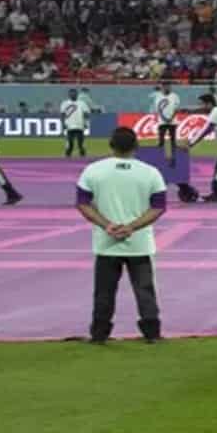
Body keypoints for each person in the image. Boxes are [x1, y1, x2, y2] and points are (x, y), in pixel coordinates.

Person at [76, 126, 168, 344]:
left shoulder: (93, 170)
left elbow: (82, 204)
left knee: (104, 292)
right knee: (144, 290)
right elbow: (159, 207)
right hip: (139, 243)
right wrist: (132, 227)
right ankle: (152, 333)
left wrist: (107, 225)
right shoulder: (150, 172)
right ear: (136, 146)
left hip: (106, 241)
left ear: (111, 145)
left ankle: (99, 334)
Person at [152, 80, 181, 159]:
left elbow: (176, 108)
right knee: (161, 141)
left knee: (173, 141)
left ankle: (174, 157)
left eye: (169, 86)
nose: (167, 87)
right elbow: (158, 109)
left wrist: (171, 118)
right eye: (165, 86)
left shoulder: (175, 96)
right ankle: (160, 157)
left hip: (172, 121)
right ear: (162, 87)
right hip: (162, 121)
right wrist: (164, 118)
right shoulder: (158, 97)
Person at [60, 88, 91, 158]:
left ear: (77, 94)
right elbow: (62, 114)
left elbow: (86, 114)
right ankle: (67, 156)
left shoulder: (82, 103)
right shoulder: (65, 103)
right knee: (70, 143)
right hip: (69, 125)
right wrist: (63, 123)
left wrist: (86, 122)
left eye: (74, 93)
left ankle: (83, 157)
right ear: (69, 95)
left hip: (80, 125)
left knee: (81, 143)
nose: (73, 95)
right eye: (71, 93)